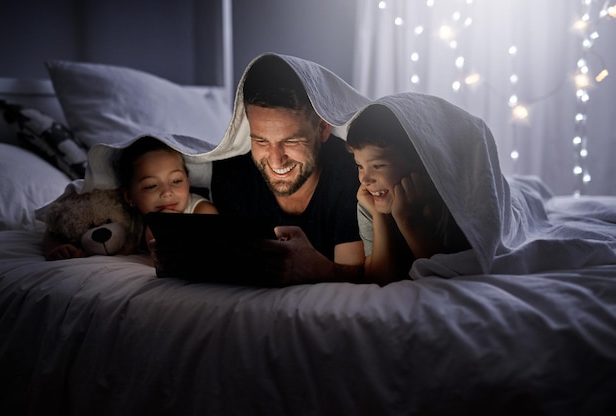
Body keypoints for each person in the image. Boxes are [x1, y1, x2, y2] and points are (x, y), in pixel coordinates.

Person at [152, 53, 370, 285]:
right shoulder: (234, 172)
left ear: (323, 129)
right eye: (261, 141)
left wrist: (316, 268)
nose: (276, 161)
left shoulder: (351, 173)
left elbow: (354, 279)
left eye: (292, 141)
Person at [346, 104, 471, 285]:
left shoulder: (449, 203)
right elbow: (381, 281)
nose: (365, 179)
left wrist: (407, 219)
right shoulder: (369, 203)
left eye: (378, 166)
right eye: (360, 166)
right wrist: (379, 216)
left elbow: (448, 279)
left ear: (420, 162)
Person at [116, 135, 218, 252]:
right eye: (151, 186)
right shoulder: (125, 221)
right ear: (129, 197)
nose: (167, 192)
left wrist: (164, 224)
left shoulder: (202, 211)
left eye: (176, 181)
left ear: (188, 181)